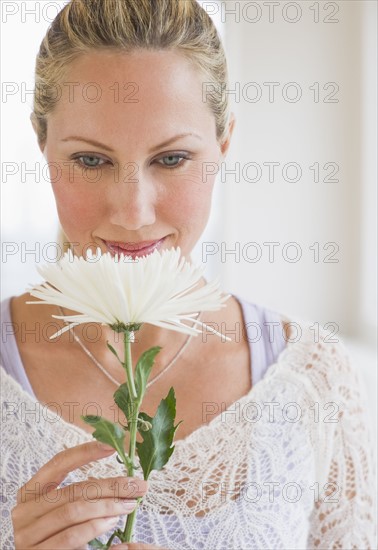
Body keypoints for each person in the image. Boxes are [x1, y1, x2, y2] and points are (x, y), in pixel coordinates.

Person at [1, 1, 376, 549]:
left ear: (223, 145)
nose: (133, 212)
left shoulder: (313, 379)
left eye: (172, 159)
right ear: (44, 149)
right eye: (90, 160)